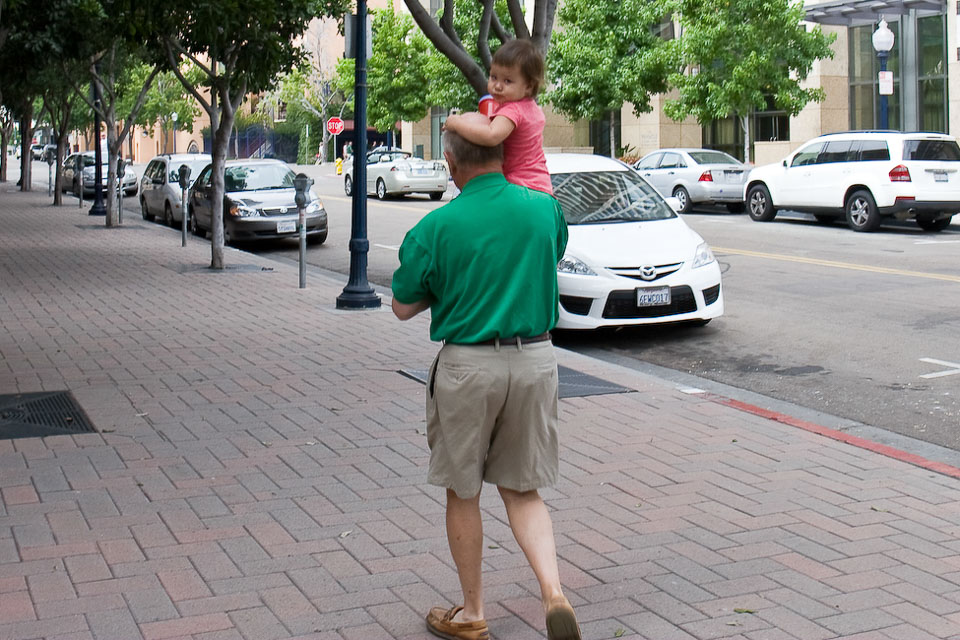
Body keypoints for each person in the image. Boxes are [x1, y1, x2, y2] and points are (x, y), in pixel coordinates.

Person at [391, 112, 580, 640]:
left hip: (468, 368)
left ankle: (473, 612)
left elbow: (403, 305)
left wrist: (449, 289)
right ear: (501, 155)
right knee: (523, 490)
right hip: (536, 360)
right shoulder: (545, 211)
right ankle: (553, 592)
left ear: (451, 164)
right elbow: (548, 256)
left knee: (463, 490)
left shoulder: (435, 227)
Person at [442, 39, 552, 195]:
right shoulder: (532, 108)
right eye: (493, 77)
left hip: (520, 186)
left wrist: (457, 123)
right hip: (541, 185)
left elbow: (491, 136)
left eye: (508, 81)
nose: (498, 86)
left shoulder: (512, 111)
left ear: (528, 86)